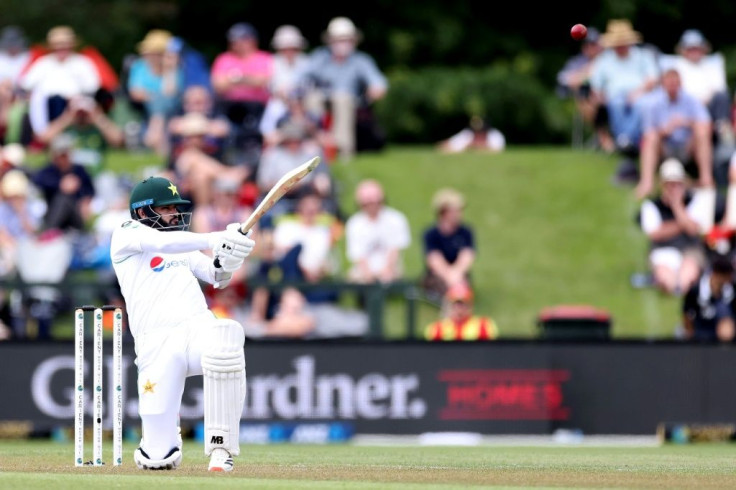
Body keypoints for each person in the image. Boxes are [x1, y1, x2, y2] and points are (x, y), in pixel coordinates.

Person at [109, 175, 255, 471]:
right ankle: (155, 447)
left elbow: (216, 276)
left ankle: (220, 448)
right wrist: (213, 238)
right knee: (159, 459)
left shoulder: (182, 245)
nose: (175, 213)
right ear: (142, 211)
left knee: (226, 338)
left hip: (195, 328)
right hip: (155, 344)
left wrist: (229, 256)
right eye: (166, 208)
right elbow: (163, 242)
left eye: (176, 207)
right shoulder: (126, 233)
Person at [299, 17, 388, 160]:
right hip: (323, 99)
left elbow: (378, 81)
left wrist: (376, 88)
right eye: (338, 40)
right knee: (312, 97)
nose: (342, 44)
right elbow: (301, 77)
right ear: (330, 41)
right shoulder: (320, 57)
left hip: (351, 103)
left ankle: (342, 148)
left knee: (342, 99)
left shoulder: (361, 60)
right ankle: (315, 142)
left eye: (346, 40)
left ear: (353, 41)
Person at [638, 158, 711, 296]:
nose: (674, 189)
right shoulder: (651, 206)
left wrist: (677, 207)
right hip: (663, 251)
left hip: (690, 250)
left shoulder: (695, 200)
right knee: (666, 280)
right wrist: (683, 223)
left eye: (678, 184)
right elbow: (656, 233)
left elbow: (694, 230)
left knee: (688, 275)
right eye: (670, 184)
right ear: (663, 185)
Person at [637, 68, 713, 199]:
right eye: (669, 84)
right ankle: (646, 183)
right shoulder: (654, 104)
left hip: (687, 146)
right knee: (651, 138)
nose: (672, 87)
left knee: (701, 131)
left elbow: (707, 124)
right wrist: (665, 130)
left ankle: (706, 179)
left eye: (675, 84)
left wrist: (686, 123)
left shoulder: (691, 100)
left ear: (680, 84)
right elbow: (647, 132)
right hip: (665, 147)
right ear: (663, 85)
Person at [589, 20, 659, 157]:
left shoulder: (643, 56)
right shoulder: (604, 60)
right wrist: (599, 96)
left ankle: (625, 140)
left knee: (642, 104)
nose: (620, 47)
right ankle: (626, 140)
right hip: (613, 96)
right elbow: (596, 84)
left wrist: (638, 92)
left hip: (641, 93)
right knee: (616, 103)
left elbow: (652, 79)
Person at [18, 26, 100, 136]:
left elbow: (92, 86)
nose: (61, 48)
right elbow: (26, 84)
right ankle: (44, 136)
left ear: (71, 45)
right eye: (58, 44)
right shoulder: (43, 62)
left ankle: (48, 137)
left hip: (73, 105)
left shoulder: (82, 62)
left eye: (64, 44)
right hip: (47, 104)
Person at [211, 22, 273, 166]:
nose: (235, 44)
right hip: (229, 107)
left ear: (251, 40)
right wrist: (248, 79)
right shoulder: (224, 58)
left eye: (239, 40)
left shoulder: (263, 57)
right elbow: (218, 85)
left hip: (257, 109)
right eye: (233, 41)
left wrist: (235, 78)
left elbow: (263, 81)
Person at [37, 93, 124, 176]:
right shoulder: (66, 129)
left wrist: (98, 118)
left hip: (95, 175)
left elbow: (118, 140)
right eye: (79, 112)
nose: (82, 115)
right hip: (70, 176)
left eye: (84, 113)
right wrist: (66, 118)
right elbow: (43, 139)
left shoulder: (99, 129)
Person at [127, 29, 184, 156]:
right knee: (160, 101)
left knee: (162, 102)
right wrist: (155, 97)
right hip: (146, 111)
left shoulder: (175, 70)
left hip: (172, 111)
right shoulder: (140, 66)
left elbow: (171, 94)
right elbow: (135, 93)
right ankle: (162, 153)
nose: (147, 55)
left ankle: (153, 135)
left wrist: (170, 69)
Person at [555, 27, 611, 151]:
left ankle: (606, 140)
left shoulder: (609, 60)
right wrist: (586, 73)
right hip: (589, 101)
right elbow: (564, 79)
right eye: (588, 45)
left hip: (610, 98)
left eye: (594, 44)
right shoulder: (577, 62)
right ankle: (605, 139)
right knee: (584, 97)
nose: (591, 48)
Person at [345, 179, 411, 283]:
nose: (372, 205)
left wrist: (387, 270)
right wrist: (368, 275)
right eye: (368, 202)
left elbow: (395, 250)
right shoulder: (354, 224)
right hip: (363, 272)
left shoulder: (395, 219)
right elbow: (358, 256)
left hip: (391, 269)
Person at [32, 133, 95, 232]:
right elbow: (38, 181)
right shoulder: (48, 171)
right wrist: (60, 184)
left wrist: (86, 202)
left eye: (65, 155)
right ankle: (49, 232)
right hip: (53, 215)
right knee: (63, 199)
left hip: (75, 215)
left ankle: (50, 232)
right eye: (60, 155)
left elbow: (90, 191)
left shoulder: (79, 170)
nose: (63, 159)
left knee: (66, 200)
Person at [422, 188, 476, 300]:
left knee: (462, 286)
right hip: (438, 275)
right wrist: (449, 276)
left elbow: (467, 256)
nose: (459, 214)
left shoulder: (465, 232)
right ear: (443, 212)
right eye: (455, 211)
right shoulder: (432, 234)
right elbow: (434, 260)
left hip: (460, 274)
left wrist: (457, 273)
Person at [682, 255, 736, 342]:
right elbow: (687, 315)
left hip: (727, 335)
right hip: (702, 330)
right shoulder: (696, 290)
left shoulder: (732, 290)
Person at [424, 282, 499, 341]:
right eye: (456, 303)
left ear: (470, 304)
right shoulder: (437, 329)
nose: (459, 307)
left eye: (462, 303)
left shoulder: (483, 326)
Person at [436, 115, 506, 154]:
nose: (478, 133)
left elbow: (497, 150)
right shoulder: (468, 134)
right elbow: (446, 145)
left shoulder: (495, 135)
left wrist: (475, 149)